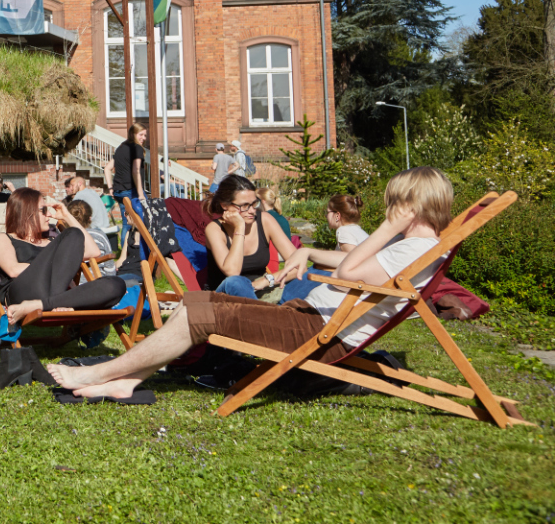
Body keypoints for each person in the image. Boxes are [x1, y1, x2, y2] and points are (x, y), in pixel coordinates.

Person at [48, 167, 456, 402]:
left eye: (393, 205)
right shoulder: (418, 248)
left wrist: (388, 227)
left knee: (199, 308)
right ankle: (129, 378)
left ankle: (99, 375)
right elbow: (354, 266)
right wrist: (310, 253)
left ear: (408, 208)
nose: (388, 210)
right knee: (203, 303)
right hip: (308, 317)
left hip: (318, 331)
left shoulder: (412, 247)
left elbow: (350, 272)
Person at [0, 188, 127, 326]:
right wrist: (55, 265)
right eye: (43, 210)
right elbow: (13, 270)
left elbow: (94, 252)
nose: (49, 214)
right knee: (72, 233)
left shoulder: (51, 242)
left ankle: (46, 304)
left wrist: (67, 216)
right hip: (22, 292)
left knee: (116, 285)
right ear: (27, 213)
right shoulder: (5, 238)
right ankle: (53, 301)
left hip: (44, 301)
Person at [202, 175, 298, 300]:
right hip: (225, 295)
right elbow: (232, 272)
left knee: (311, 278)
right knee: (236, 282)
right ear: (225, 205)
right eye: (244, 205)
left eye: (254, 204)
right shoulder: (214, 229)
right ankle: (262, 315)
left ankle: (266, 312)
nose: (252, 210)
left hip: (262, 289)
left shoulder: (265, 220)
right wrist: (239, 228)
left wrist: (266, 280)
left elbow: (298, 265)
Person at [65, 198, 116, 277]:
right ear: (90, 218)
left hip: (74, 286)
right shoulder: (99, 236)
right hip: (100, 284)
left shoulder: (64, 238)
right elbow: (110, 268)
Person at [110, 123, 149, 225]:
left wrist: (110, 188)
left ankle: (125, 242)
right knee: (144, 220)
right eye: (140, 134)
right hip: (131, 191)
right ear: (132, 134)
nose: (143, 138)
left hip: (119, 191)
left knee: (127, 222)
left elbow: (107, 168)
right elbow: (136, 170)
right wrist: (141, 194)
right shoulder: (137, 148)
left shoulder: (121, 147)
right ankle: (139, 241)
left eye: (145, 135)